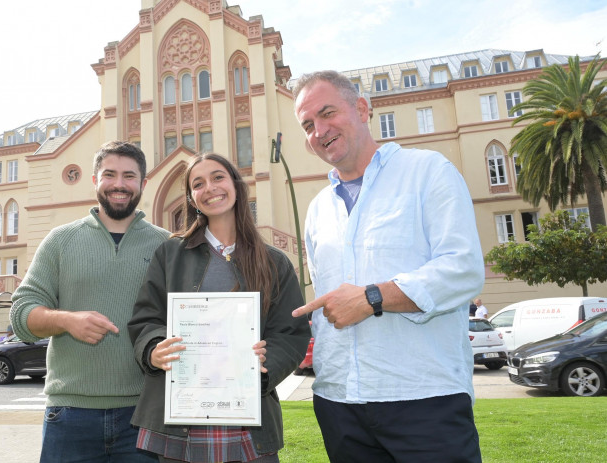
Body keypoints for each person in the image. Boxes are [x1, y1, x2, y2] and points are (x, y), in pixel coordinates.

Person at [291, 71, 485, 462]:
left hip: (424, 399)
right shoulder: (317, 211)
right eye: (308, 125)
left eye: (328, 113)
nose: (319, 130)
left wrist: (372, 297)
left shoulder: (428, 171)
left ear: (362, 109)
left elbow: (463, 268)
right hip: (339, 404)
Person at [128, 153, 311, 463]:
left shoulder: (273, 262)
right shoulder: (170, 254)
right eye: (198, 183)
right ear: (192, 198)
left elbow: (291, 333)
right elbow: (146, 319)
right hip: (182, 418)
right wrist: (154, 349)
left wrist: (268, 364)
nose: (210, 188)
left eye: (217, 177)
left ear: (235, 185)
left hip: (247, 418)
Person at [10, 140, 169, 463]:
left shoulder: (166, 246)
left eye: (129, 176)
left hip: (144, 414)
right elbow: (21, 315)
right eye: (109, 174)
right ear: (95, 180)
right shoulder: (60, 241)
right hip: (70, 414)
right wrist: (67, 321)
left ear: (143, 184)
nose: (119, 184)